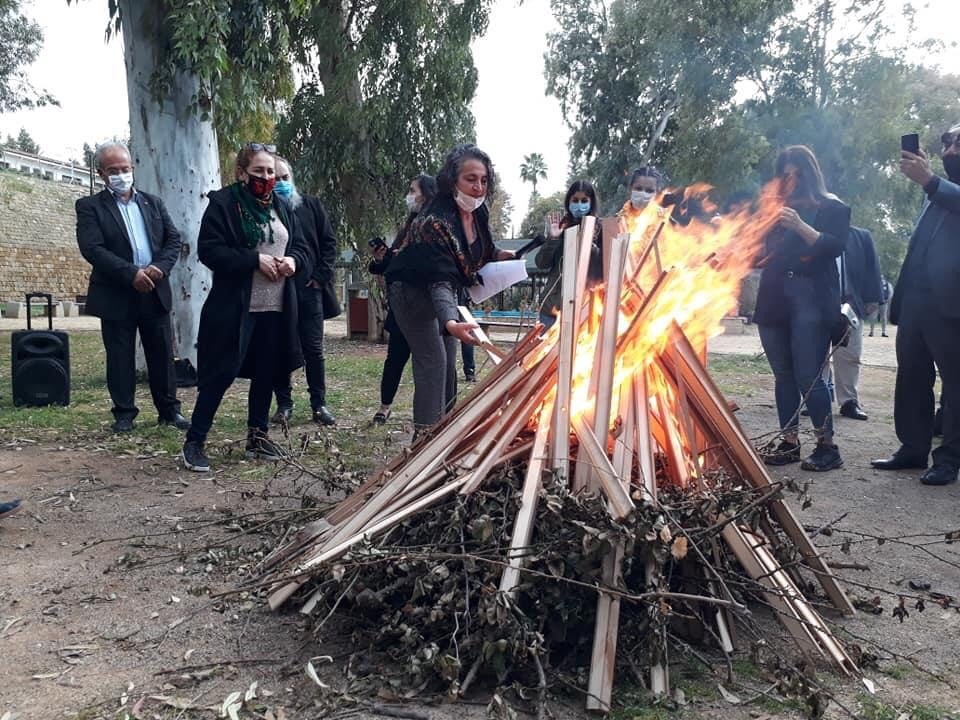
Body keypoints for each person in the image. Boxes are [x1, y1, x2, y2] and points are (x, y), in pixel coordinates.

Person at [181, 144, 313, 472]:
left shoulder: (281, 206)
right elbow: (209, 250)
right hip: (235, 308)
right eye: (259, 171)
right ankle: (194, 442)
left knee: (267, 372)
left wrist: (294, 261)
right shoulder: (225, 204)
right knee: (220, 374)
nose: (266, 177)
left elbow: (299, 244)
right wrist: (254, 260)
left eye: (270, 171)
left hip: (276, 307)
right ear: (242, 173)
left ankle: (258, 437)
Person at [384, 144, 514, 433]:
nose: (479, 187)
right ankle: (424, 440)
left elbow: (482, 250)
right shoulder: (436, 220)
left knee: (449, 364)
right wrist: (451, 321)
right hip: (411, 293)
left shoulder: (477, 214)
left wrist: (501, 256)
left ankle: (445, 430)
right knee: (433, 361)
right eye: (471, 179)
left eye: (483, 180)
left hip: (445, 294)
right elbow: (439, 278)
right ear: (452, 179)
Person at [75, 141, 189, 433]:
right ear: (101, 173)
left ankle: (169, 411)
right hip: (116, 293)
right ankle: (124, 414)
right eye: (113, 170)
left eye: (125, 169)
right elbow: (93, 248)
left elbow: (172, 240)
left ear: (133, 168)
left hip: (154, 289)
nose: (121, 175)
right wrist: (131, 274)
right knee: (120, 356)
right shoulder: (90, 207)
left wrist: (157, 269)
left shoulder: (153, 202)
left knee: (162, 354)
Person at [872, 125, 960, 486]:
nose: (951, 148)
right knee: (911, 376)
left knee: (955, 385)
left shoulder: (939, 189)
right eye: (948, 143)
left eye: (959, 143)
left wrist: (930, 180)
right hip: (917, 303)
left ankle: (949, 459)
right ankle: (912, 448)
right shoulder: (936, 193)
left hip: (953, 306)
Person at [755, 145, 849, 472]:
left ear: (811, 174)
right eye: (785, 174)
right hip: (774, 297)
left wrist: (798, 225)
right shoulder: (773, 209)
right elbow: (759, 253)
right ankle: (789, 441)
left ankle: (827, 446)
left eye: (797, 173)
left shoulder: (833, 207)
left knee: (809, 376)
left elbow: (834, 246)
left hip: (811, 298)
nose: (791, 179)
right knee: (783, 375)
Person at [269, 157, 338, 427]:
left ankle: (319, 404)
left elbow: (329, 242)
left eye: (285, 177)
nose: (281, 183)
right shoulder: (265, 211)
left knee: (313, 349)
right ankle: (284, 404)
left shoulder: (310, 205)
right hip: (276, 291)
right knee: (279, 349)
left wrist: (320, 278)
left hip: (309, 290)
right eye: (276, 179)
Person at [369, 175, 437, 423]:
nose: (409, 195)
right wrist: (382, 258)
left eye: (412, 190)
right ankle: (385, 406)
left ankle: (430, 415)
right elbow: (390, 266)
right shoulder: (409, 225)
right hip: (402, 305)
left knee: (428, 364)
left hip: (428, 307)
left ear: (427, 194)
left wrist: (403, 258)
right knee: (395, 358)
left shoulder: (436, 224)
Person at [830, 225, 883, 421]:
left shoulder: (861, 236)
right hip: (817, 304)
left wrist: (872, 298)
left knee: (850, 354)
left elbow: (872, 267)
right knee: (817, 355)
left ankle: (848, 401)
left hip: (850, 303)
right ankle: (819, 398)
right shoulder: (811, 232)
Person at [535, 179, 603, 329]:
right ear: (568, 201)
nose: (579, 205)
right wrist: (553, 238)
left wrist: (589, 245)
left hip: (584, 310)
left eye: (584, 200)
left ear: (591, 202)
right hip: (551, 309)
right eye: (575, 200)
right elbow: (541, 263)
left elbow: (604, 271)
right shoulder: (560, 226)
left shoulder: (600, 229)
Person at [618, 166, 663, 232]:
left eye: (649, 191)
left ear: (657, 193)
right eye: (638, 189)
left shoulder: (664, 221)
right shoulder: (617, 221)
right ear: (630, 189)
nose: (643, 194)